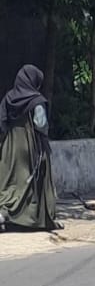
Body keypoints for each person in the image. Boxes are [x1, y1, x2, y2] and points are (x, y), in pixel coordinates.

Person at [0, 64, 61, 232]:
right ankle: (31, 218)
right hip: (30, 145)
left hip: (9, 147)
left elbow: (2, 121)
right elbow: (40, 124)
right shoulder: (36, 101)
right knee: (30, 182)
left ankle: (4, 213)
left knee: (10, 182)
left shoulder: (9, 97)